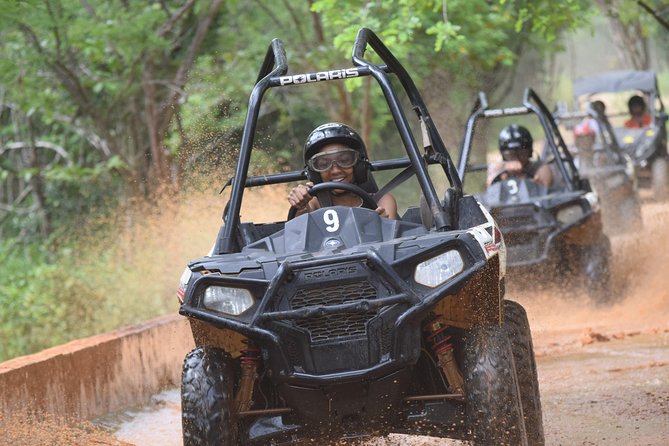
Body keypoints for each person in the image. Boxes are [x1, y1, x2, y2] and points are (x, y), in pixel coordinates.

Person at [288, 122, 398, 219]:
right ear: (315, 173)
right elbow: (299, 233)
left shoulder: (381, 201)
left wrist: (384, 226)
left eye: (345, 160)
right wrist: (301, 204)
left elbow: (391, 238)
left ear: (358, 165)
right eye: (324, 164)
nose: (335, 170)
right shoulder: (314, 205)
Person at [487, 124, 553, 188]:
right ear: (503, 155)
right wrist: (503, 172)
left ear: (530, 152)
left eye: (521, 153)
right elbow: (490, 188)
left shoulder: (540, 167)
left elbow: (547, 188)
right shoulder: (499, 168)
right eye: (511, 155)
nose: (517, 159)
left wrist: (524, 176)